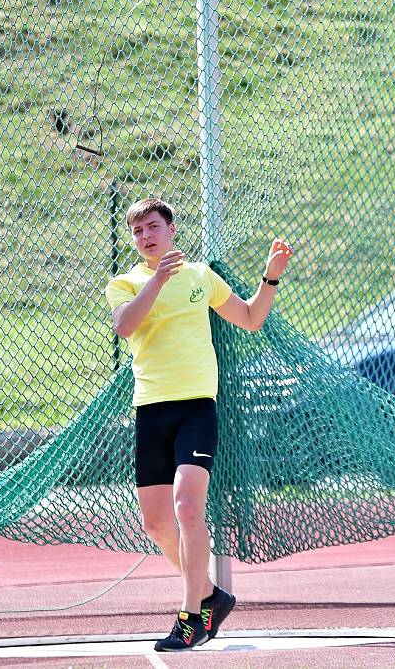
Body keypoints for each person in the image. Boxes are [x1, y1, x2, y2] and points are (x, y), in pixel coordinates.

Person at [105, 197, 294, 652]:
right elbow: (125, 327)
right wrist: (156, 281)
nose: (146, 236)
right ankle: (211, 595)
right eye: (137, 231)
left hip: (196, 409)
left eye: (153, 226)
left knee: (188, 508)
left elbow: (250, 318)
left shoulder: (200, 277)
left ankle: (191, 618)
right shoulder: (125, 283)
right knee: (156, 524)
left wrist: (269, 276)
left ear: (171, 230)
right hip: (151, 410)